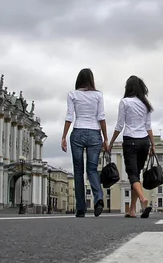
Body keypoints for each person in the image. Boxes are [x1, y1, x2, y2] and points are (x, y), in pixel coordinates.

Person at [61, 68, 108, 218]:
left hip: (77, 132)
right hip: (95, 133)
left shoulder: (72, 95)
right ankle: (98, 197)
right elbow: (101, 117)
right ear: (91, 80)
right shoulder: (98, 95)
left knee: (78, 171)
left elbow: (69, 116)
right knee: (92, 170)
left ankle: (81, 209)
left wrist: (63, 136)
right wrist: (106, 138)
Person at [108, 75, 156, 218]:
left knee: (132, 175)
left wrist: (111, 142)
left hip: (130, 141)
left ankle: (142, 199)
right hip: (144, 142)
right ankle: (132, 210)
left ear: (128, 87)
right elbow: (148, 127)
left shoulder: (125, 102)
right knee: (137, 175)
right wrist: (153, 145)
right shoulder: (145, 104)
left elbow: (119, 125)